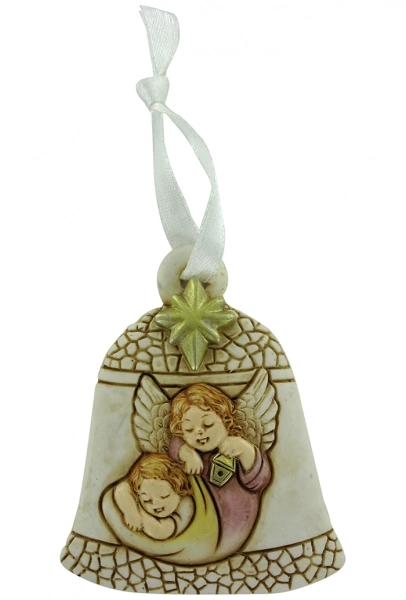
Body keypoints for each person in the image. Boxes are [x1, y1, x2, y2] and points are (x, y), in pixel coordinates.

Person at [168, 383, 271, 557]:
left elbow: (260, 480)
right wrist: (185, 451)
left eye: (208, 424)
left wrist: (246, 450)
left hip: (234, 528)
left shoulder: (237, 448)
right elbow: (174, 445)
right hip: (197, 531)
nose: (199, 432)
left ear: (226, 421)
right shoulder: (191, 452)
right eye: (189, 429)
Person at [114, 454, 194, 541]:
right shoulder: (142, 489)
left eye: (164, 496)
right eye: (147, 500)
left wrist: (136, 512)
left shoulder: (186, 505)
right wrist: (130, 512)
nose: (155, 503)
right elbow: (121, 489)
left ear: (179, 490)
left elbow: (161, 532)